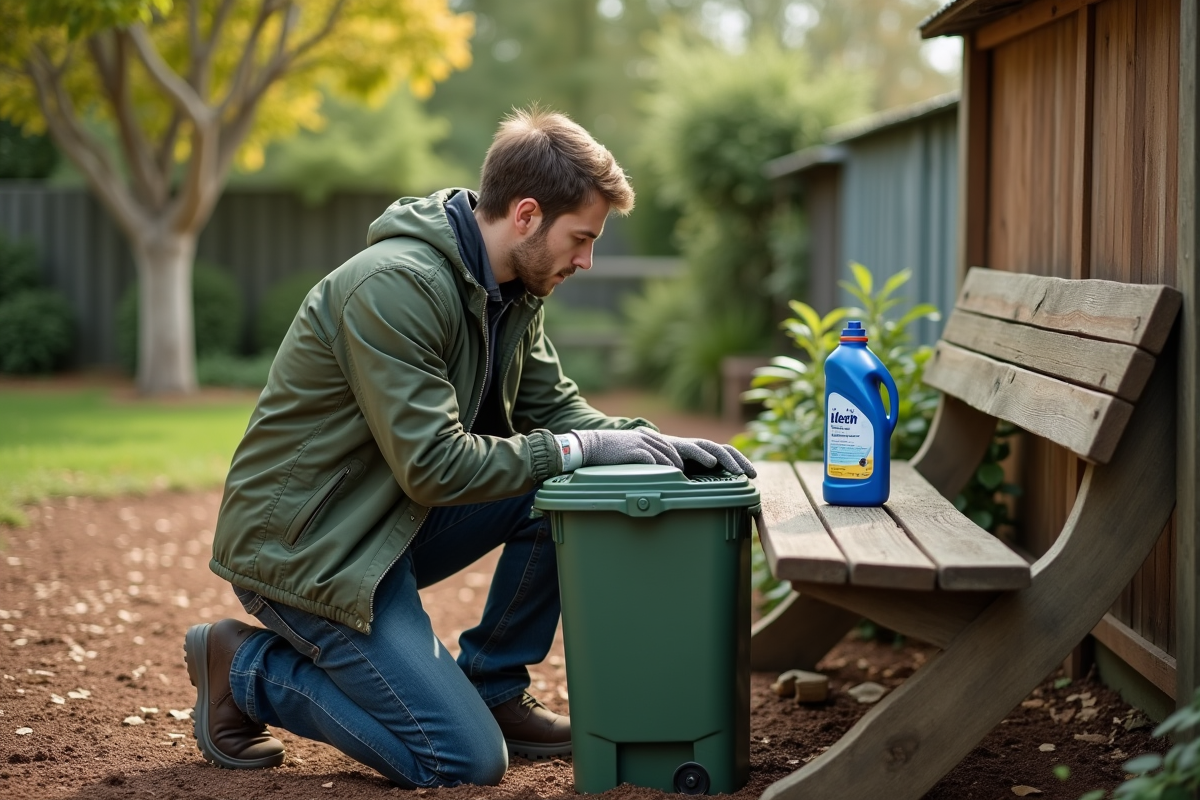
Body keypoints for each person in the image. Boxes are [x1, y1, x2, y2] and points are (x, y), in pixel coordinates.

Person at [183, 107, 756, 789]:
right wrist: (581, 448)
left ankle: (493, 686)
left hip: (387, 526)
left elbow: (555, 410)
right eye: (581, 238)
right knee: (461, 760)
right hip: (312, 550)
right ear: (524, 215)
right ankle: (243, 668)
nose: (587, 259)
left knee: (568, 493)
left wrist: (651, 445)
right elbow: (433, 466)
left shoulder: (511, 288)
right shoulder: (394, 286)